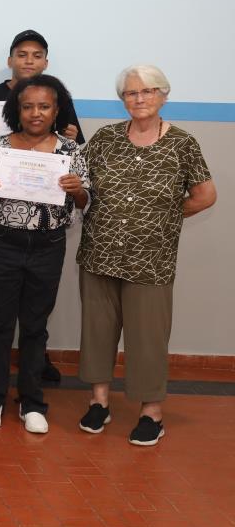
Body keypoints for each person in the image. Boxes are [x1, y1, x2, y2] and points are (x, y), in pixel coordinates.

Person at [77, 65, 215, 446]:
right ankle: (99, 403)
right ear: (122, 99)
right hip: (99, 253)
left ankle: (151, 413)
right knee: (98, 331)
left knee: (148, 338)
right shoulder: (105, 138)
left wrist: (166, 217)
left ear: (163, 96)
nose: (139, 99)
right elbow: (81, 187)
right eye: (131, 93)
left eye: (148, 91)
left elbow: (205, 195)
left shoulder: (183, 144)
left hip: (152, 259)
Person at [0, 30, 84, 382]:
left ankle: (35, 358)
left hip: (43, 222)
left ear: (46, 62)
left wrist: (71, 137)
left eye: (36, 55)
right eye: (22, 54)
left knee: (37, 294)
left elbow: (74, 159)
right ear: (10, 60)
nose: (29, 60)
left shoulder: (59, 97)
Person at [0, 75, 89, 434]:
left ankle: (32, 403)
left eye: (44, 106)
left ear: (56, 110)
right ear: (16, 110)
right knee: (0, 324)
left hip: (48, 246)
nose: (36, 113)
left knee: (35, 327)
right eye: (28, 106)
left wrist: (77, 190)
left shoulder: (71, 150)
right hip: (2, 243)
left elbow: (86, 200)